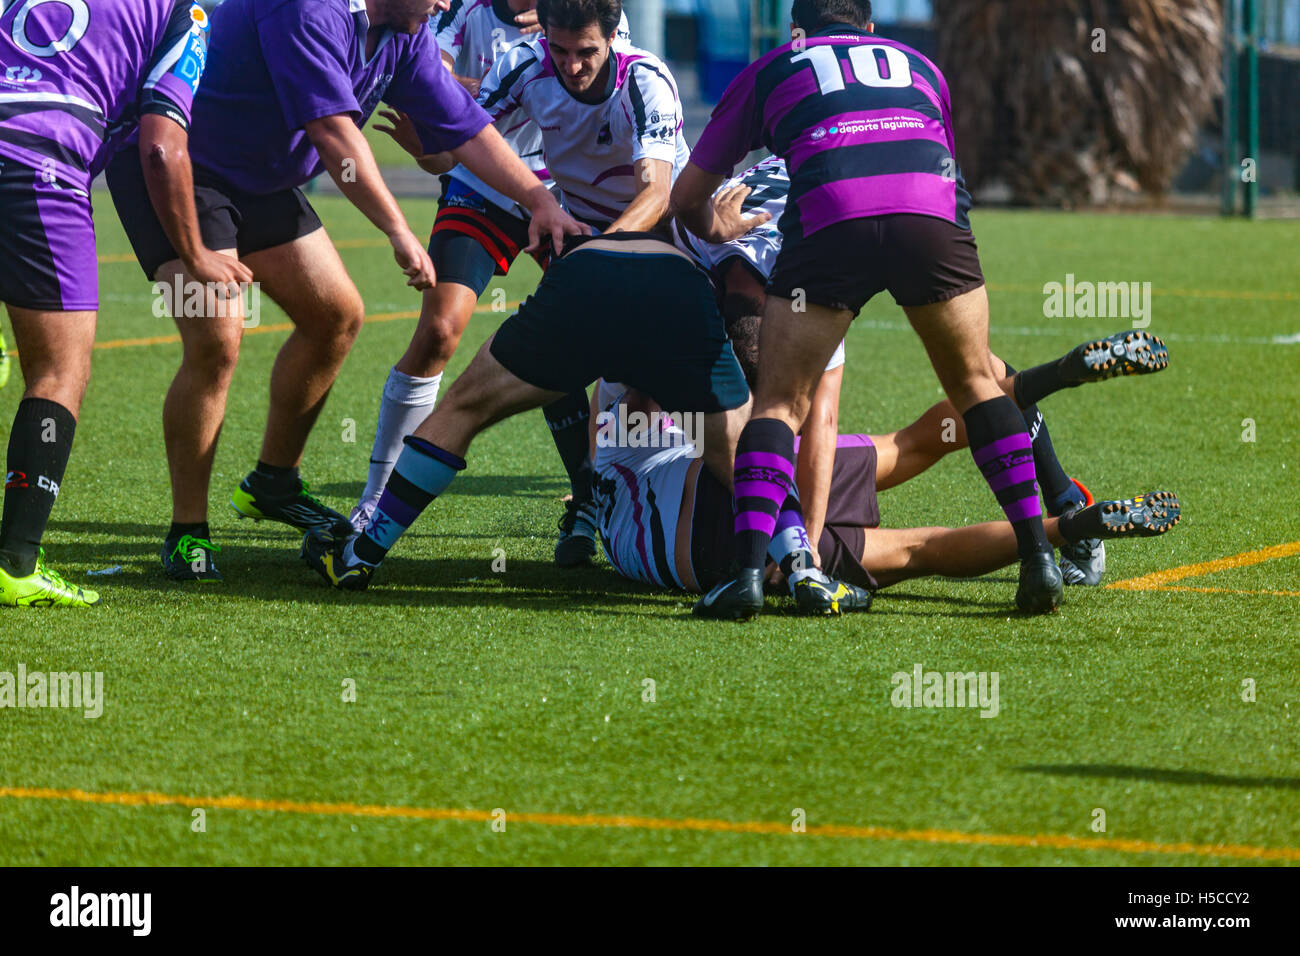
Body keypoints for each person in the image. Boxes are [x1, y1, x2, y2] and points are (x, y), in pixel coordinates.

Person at [105, 0, 584, 582]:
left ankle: (273, 484)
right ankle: (187, 533)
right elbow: (333, 136)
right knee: (217, 337)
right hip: (180, 170)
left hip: (260, 181)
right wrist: (397, 229)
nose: (442, 5)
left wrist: (539, 200)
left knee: (336, 316)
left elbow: (465, 125)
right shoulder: (307, 9)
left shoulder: (402, 33)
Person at [671, 0, 1066, 618]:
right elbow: (936, 155)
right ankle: (1039, 556)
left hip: (834, 212)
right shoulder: (924, 67)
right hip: (927, 210)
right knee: (976, 385)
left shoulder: (776, 64)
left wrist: (710, 226)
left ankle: (748, 577)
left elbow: (687, 195)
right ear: (871, 30)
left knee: (780, 402)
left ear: (799, 28)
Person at [676, 154, 1121, 586]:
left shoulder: (797, 283)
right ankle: (1063, 486)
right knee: (971, 373)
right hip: (901, 178)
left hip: (868, 207)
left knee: (944, 415)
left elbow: (821, 420)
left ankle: (1065, 516)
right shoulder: (702, 243)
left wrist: (807, 543)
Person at [593, 330, 1177, 604]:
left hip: (700, 560)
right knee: (914, 444)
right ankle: (1043, 379)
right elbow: (653, 398)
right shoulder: (639, 350)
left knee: (922, 550)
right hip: (729, 487)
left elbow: (629, 421)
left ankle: (1072, 528)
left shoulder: (609, 488)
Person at [351, 0, 631, 570]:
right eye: (561, 50)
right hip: (481, 185)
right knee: (438, 331)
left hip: (562, 194)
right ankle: (376, 499)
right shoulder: (463, 12)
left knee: (575, 333)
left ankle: (587, 501)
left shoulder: (583, 18)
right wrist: (433, 142)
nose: (571, 61)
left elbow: (454, 94)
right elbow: (438, 107)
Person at [0, 0, 248, 606]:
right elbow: (161, 146)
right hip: (42, 162)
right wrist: (194, 253)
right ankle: (16, 564)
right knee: (59, 372)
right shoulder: (182, 14)